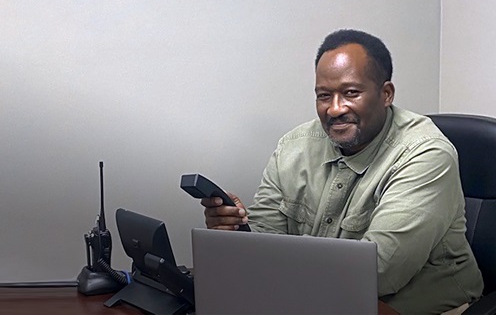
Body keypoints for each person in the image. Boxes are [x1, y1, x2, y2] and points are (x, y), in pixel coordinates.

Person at [201, 29, 484, 314]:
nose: (334, 109)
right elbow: (265, 239)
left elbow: (380, 273)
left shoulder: (425, 154)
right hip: (323, 297)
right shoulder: (293, 147)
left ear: (386, 94)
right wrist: (237, 232)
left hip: (419, 304)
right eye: (324, 96)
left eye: (351, 93)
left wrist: (278, 265)